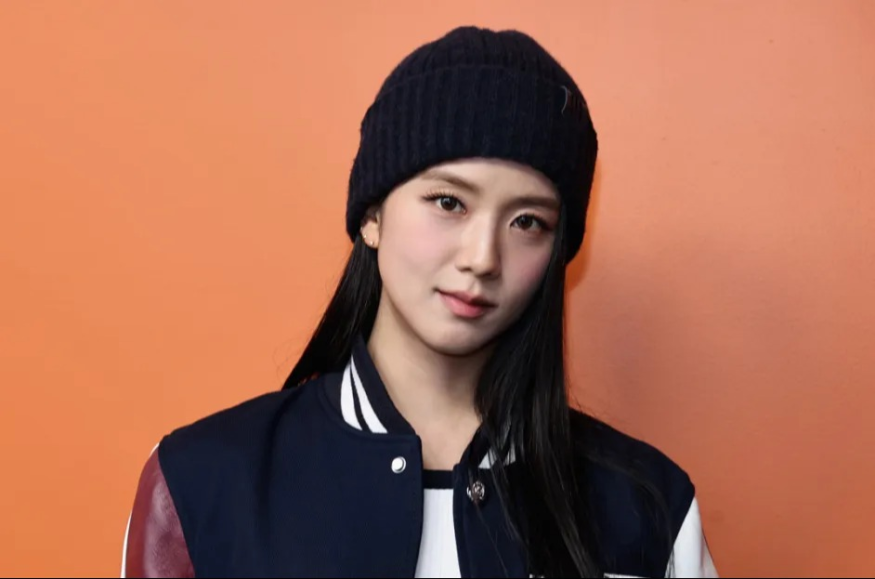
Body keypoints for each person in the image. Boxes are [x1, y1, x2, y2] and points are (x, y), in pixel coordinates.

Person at [121, 25, 718, 578]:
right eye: (449, 203)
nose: (482, 257)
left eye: (528, 221)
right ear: (372, 216)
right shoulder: (202, 483)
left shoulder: (648, 506)